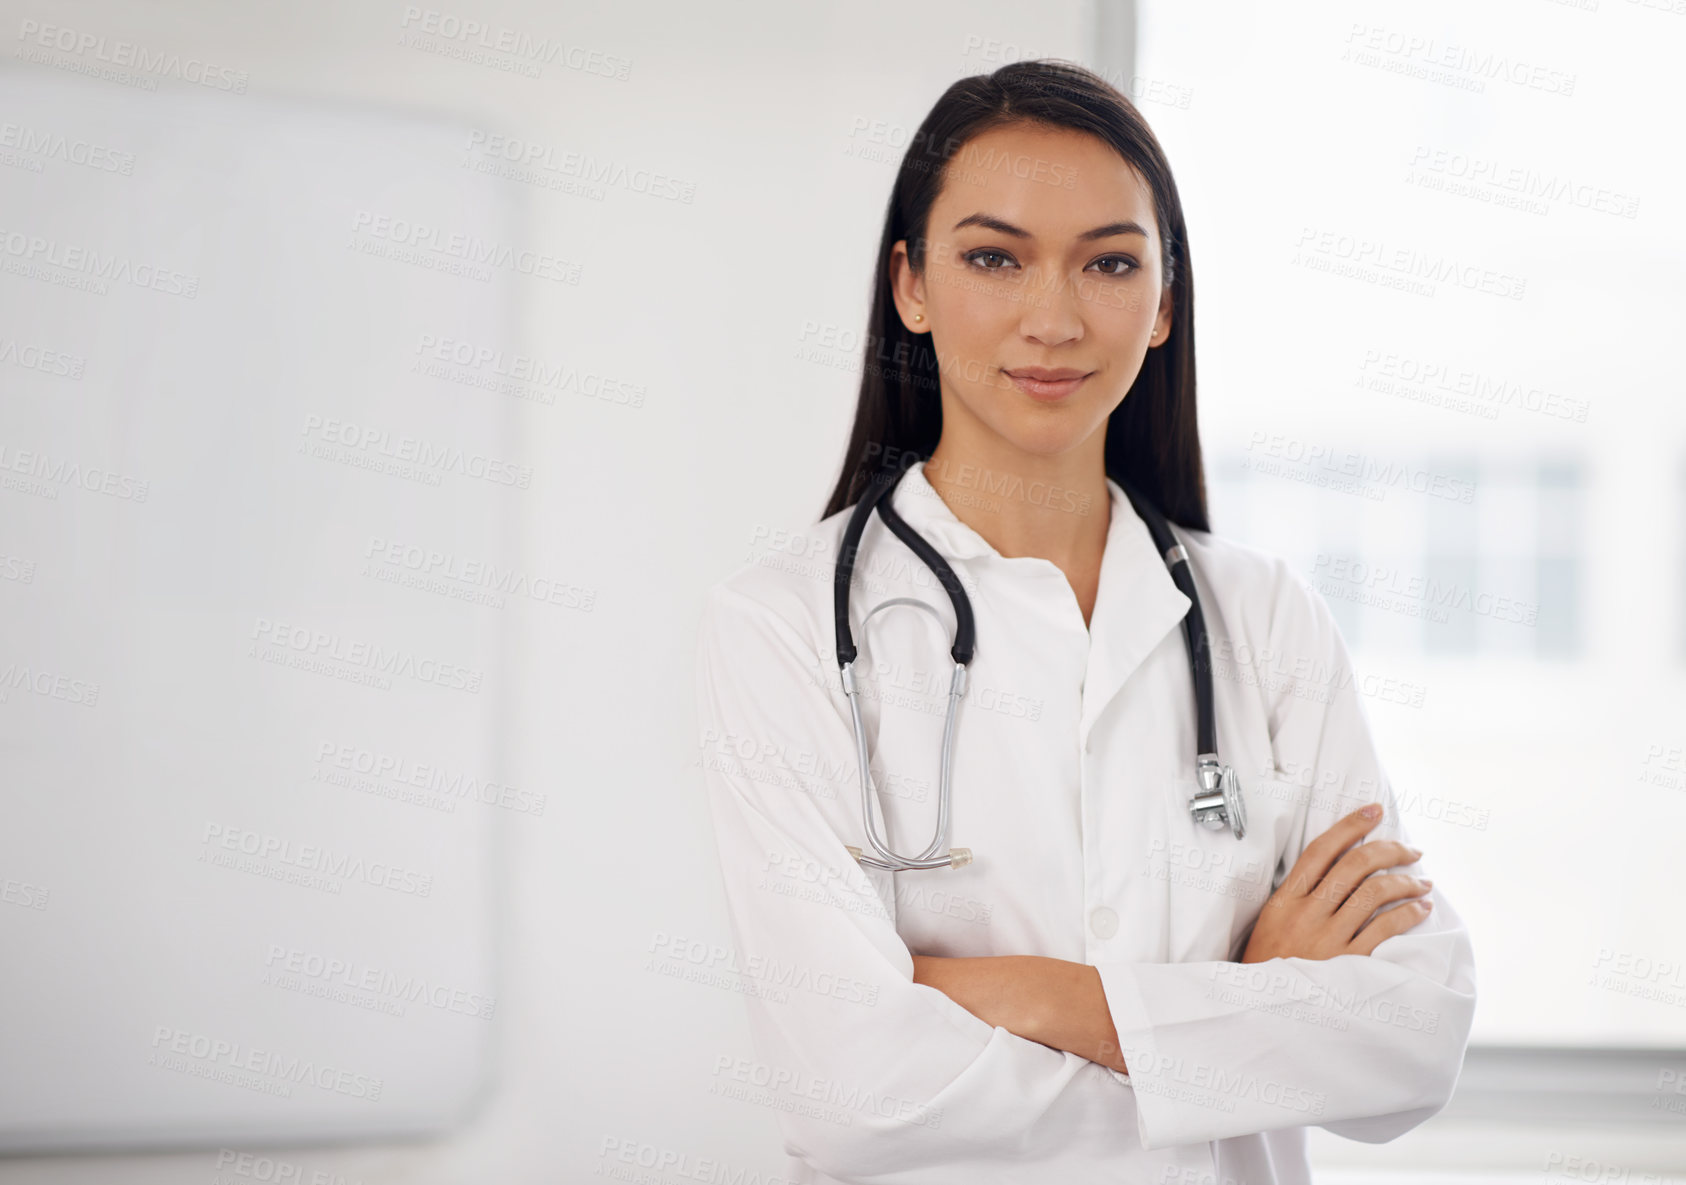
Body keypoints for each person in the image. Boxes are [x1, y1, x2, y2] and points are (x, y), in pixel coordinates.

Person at [693, 59, 1476, 1185]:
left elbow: (1414, 1034)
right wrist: (1248, 1014)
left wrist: (1026, 996)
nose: (1052, 318)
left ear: (1163, 304)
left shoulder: (1264, 620)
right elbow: (852, 1093)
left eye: (1110, 263)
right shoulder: (785, 630)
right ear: (910, 286)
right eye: (993, 258)